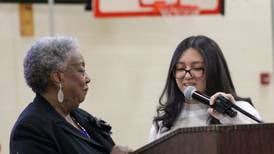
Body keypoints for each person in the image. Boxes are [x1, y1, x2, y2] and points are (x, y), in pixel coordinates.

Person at [10, 36, 131, 154]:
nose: (88, 78)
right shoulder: (31, 128)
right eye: (81, 71)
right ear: (58, 77)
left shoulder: (80, 116)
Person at [149, 35, 262, 141]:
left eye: (197, 68)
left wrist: (231, 116)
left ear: (214, 71)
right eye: (180, 68)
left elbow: (259, 143)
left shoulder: (239, 110)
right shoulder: (165, 119)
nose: (187, 76)